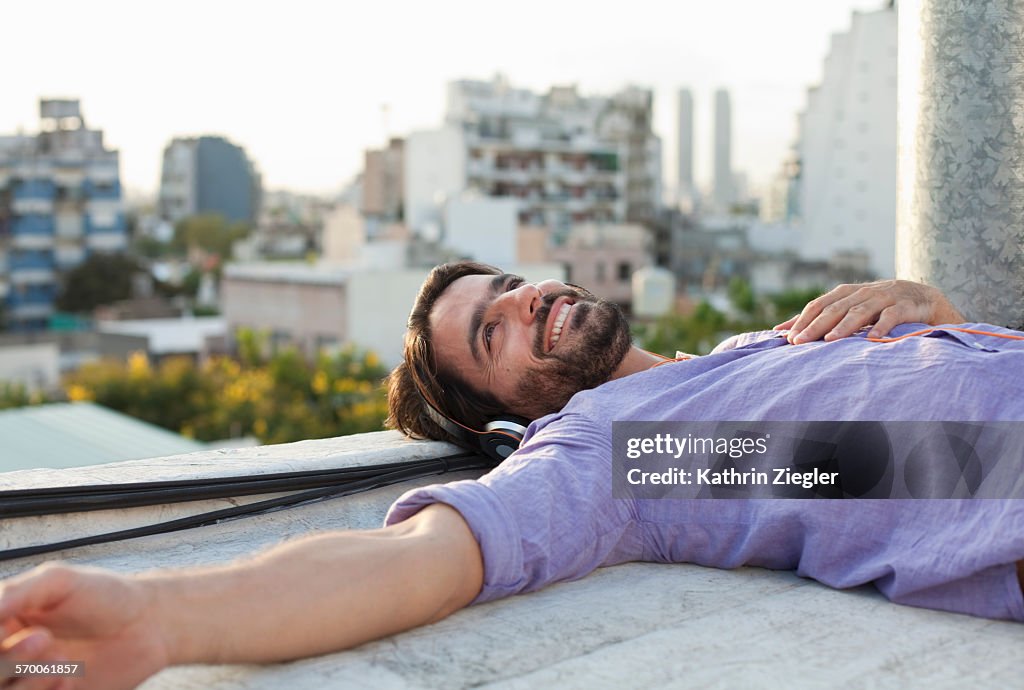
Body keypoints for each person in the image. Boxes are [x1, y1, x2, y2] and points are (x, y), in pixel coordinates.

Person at [2, 262, 1023, 690]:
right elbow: (425, 558)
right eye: (493, 330)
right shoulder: (621, 451)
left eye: (507, 285)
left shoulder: (753, 351)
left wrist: (923, 301)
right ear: (503, 413)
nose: (528, 299)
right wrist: (162, 617)